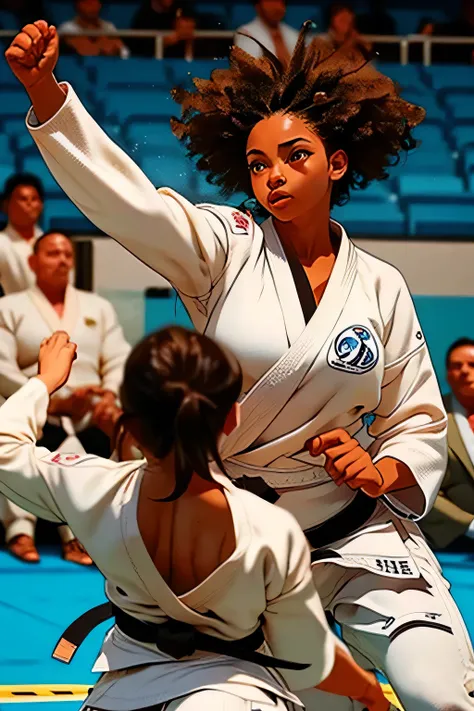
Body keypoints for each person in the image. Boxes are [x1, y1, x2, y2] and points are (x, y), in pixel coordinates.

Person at [6, 19, 474, 710]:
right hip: (244, 543)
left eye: (293, 157)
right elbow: (128, 203)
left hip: (361, 532)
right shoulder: (224, 249)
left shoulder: (380, 286)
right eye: (259, 164)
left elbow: (417, 417)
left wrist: (382, 468)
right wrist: (47, 93)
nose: (273, 176)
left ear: (337, 163)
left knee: (439, 694)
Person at [0, 328, 393, 711]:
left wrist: (44, 380)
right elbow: (307, 657)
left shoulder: (91, 487)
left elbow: (6, 449)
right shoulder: (269, 530)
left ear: (132, 424)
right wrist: (371, 694)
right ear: (231, 419)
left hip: (121, 694)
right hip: (235, 697)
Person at [0, 231, 130, 564]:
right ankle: (20, 529)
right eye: (52, 254)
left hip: (89, 409)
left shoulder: (97, 307)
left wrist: (108, 397)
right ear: (32, 262)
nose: (62, 260)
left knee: (115, 430)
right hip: (38, 401)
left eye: (67, 255)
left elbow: (117, 358)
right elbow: (2, 367)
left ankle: (78, 535)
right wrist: (51, 398)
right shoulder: (8, 308)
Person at [421, 338, 474, 552]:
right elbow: (420, 483)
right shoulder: (428, 419)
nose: (464, 371)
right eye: (456, 365)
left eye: (472, 365)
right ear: (447, 375)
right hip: (449, 544)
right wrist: (468, 525)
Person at [0, 172, 44, 295]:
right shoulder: (1, 243)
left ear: (41, 205)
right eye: (23, 199)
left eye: (34, 199)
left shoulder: (50, 242)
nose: (29, 203)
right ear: (6, 205)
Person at [234, 0, 299, 69]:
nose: (277, 7)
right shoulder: (245, 33)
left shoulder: (294, 34)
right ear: (258, 6)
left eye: (281, 2)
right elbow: (251, 70)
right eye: (271, 2)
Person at [58, 0, 129, 58]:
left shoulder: (108, 26)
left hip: (109, 69)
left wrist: (117, 50)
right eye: (86, 2)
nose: (92, 5)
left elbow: (124, 53)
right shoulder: (66, 28)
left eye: (95, 1)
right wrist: (102, 46)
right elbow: (86, 51)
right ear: (77, 5)